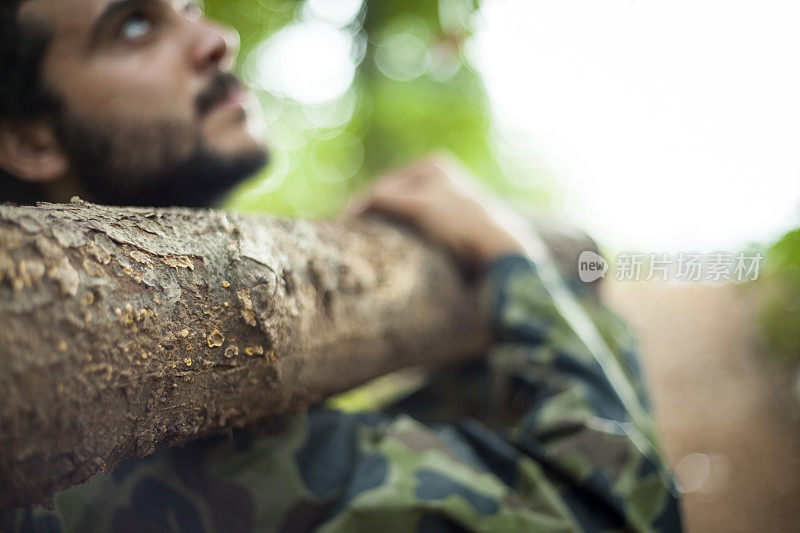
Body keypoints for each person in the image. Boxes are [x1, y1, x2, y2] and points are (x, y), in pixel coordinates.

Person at [0, 0, 682, 531]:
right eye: (134, 26)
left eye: (186, 6)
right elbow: (619, 509)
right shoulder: (127, 467)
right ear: (29, 137)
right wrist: (514, 260)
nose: (215, 39)